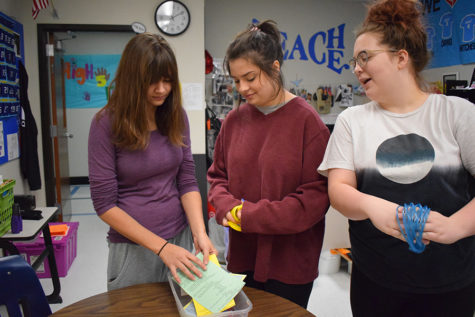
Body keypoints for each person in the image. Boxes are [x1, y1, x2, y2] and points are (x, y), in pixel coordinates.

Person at [318, 0, 475, 316]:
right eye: (354, 60)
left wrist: (455, 226)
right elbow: (338, 190)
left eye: (365, 57)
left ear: (401, 57)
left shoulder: (457, 114)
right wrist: (371, 206)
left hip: (450, 282)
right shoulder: (353, 120)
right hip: (375, 280)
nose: (356, 68)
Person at [207, 20, 330, 308]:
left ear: (275, 67)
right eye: (236, 81)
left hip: (290, 263)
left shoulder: (307, 122)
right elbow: (217, 177)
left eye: (250, 77)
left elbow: (315, 198)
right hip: (243, 258)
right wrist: (227, 207)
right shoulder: (234, 122)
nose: (243, 89)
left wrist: (249, 215)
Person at [88, 33, 216, 290]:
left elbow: (187, 180)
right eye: (151, 82)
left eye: (167, 81)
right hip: (133, 248)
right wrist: (161, 248)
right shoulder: (105, 124)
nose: (161, 90)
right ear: (132, 80)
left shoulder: (175, 115)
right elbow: (104, 205)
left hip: (179, 238)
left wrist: (200, 232)